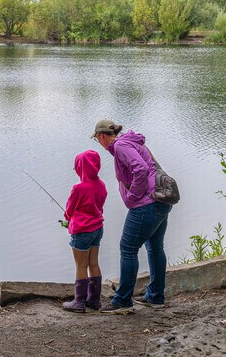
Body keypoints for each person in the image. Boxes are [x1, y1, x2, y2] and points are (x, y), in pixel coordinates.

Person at [91, 119, 172, 314]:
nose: (99, 143)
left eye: (97, 139)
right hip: (161, 201)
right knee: (154, 248)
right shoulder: (131, 142)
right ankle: (156, 296)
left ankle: (123, 300)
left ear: (102, 136)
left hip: (147, 204)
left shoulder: (120, 146)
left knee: (127, 249)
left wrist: (134, 195)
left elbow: (141, 169)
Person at [62, 150, 108, 313]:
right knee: (93, 263)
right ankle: (94, 300)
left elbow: (69, 210)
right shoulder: (101, 185)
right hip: (97, 228)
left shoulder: (78, 188)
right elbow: (100, 205)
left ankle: (79, 302)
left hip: (81, 232)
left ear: (80, 168)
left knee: (81, 266)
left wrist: (67, 218)